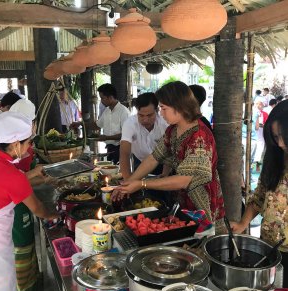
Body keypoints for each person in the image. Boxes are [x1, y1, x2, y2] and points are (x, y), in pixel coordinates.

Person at [114, 81, 226, 234]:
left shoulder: (199, 136)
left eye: (163, 108)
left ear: (179, 107)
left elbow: (183, 179)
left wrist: (141, 184)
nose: (161, 113)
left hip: (201, 203)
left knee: (199, 244)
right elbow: (154, 157)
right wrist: (129, 182)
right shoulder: (173, 130)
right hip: (181, 199)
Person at [0, 111, 58, 291]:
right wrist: (54, 215)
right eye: (28, 142)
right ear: (15, 144)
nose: (30, 147)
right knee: (2, 289)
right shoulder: (13, 176)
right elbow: (38, 209)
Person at [231, 100, 288, 287]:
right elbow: (259, 197)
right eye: (275, 136)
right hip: (269, 248)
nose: (279, 143)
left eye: (284, 137)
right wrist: (242, 223)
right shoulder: (275, 155)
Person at [10, 99, 48, 291]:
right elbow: (14, 184)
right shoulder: (5, 161)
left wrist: (34, 175)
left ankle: (31, 290)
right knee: (20, 252)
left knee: (26, 251)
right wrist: (51, 214)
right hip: (12, 216)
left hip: (18, 208)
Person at [119, 92, 168, 179]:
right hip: (139, 162)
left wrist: (165, 174)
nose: (145, 120)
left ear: (157, 111)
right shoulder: (130, 123)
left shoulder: (164, 124)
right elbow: (124, 153)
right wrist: (127, 182)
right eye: (141, 115)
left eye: (149, 115)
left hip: (162, 162)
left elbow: (169, 152)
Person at [90, 84, 130, 164]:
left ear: (110, 97)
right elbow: (97, 125)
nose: (101, 101)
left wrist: (106, 137)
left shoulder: (123, 112)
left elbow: (125, 135)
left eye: (102, 98)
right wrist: (81, 124)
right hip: (110, 149)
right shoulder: (107, 111)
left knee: (120, 173)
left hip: (121, 149)